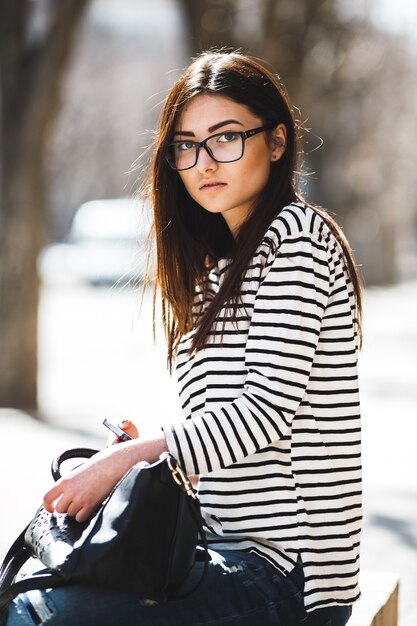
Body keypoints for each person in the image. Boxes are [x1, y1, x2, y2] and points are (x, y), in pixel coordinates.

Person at [6, 50, 362, 626]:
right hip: (217, 552)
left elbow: (266, 410)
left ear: (276, 141)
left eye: (225, 138)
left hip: (290, 575)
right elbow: (224, 435)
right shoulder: (215, 272)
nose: (203, 161)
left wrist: (135, 455)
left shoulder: (298, 238)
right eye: (186, 145)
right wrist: (143, 455)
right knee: (31, 596)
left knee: (40, 616)